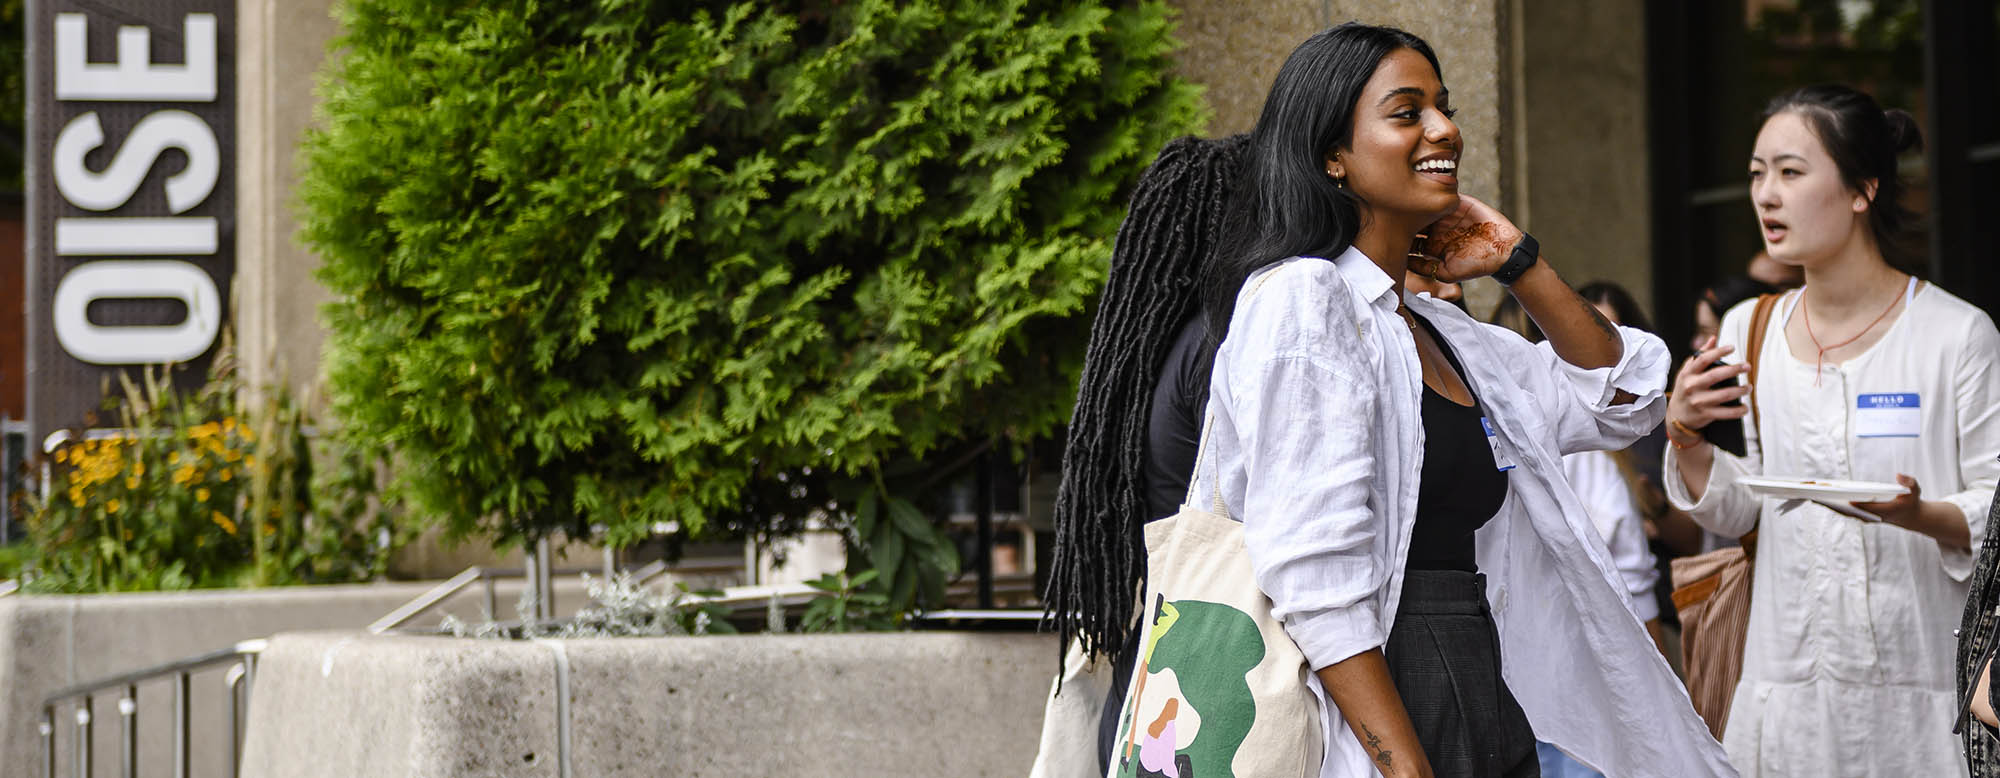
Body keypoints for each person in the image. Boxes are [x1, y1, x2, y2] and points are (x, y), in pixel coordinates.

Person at [1183, 22, 1726, 777]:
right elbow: (1315, 572)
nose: (1444, 129)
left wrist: (1518, 262)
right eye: (1407, 112)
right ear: (1332, 156)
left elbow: (1621, 400)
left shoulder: (1441, 331)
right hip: (1376, 695)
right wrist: (1405, 765)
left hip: (1473, 674)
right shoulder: (1305, 296)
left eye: (1446, 106)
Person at [1663, 84, 2000, 777]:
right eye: (1757, 174)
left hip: (1925, 694)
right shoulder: (1747, 329)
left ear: (1862, 190)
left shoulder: (1957, 335)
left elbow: (1996, 506)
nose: (1765, 194)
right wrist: (1686, 435)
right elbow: (1745, 508)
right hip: (1787, 694)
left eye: (1790, 171)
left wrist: (1920, 513)